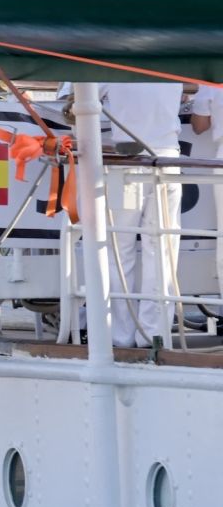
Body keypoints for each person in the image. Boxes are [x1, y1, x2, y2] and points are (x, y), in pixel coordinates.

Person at [65, 81, 184, 349]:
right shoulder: (171, 66)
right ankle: (155, 335)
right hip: (168, 160)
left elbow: (76, 110)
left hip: (128, 164)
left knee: (119, 253)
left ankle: (120, 335)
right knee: (162, 251)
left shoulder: (111, 68)